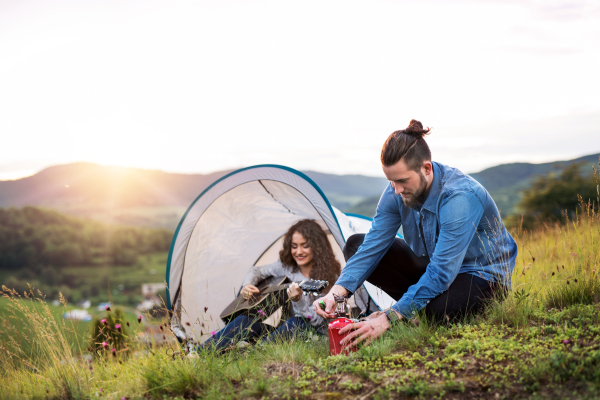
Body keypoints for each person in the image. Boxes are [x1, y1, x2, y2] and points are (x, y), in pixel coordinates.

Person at [313, 119, 518, 349]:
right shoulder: (396, 191)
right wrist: (336, 294)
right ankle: (412, 308)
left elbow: (442, 272)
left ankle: (407, 312)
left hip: (481, 276)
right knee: (355, 244)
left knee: (437, 313)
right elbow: (372, 246)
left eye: (402, 181)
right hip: (433, 267)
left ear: (426, 168)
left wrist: (388, 317)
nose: (397, 190)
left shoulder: (460, 196)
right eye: (391, 181)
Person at [203, 219, 341, 351]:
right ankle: (197, 354)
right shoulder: (287, 267)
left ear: (317, 247)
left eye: (305, 246)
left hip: (311, 336)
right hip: (283, 332)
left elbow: (315, 321)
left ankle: (254, 354)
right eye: (294, 246)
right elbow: (256, 271)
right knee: (246, 321)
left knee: (297, 323)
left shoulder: (329, 279)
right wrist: (247, 285)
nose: (299, 252)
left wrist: (298, 301)